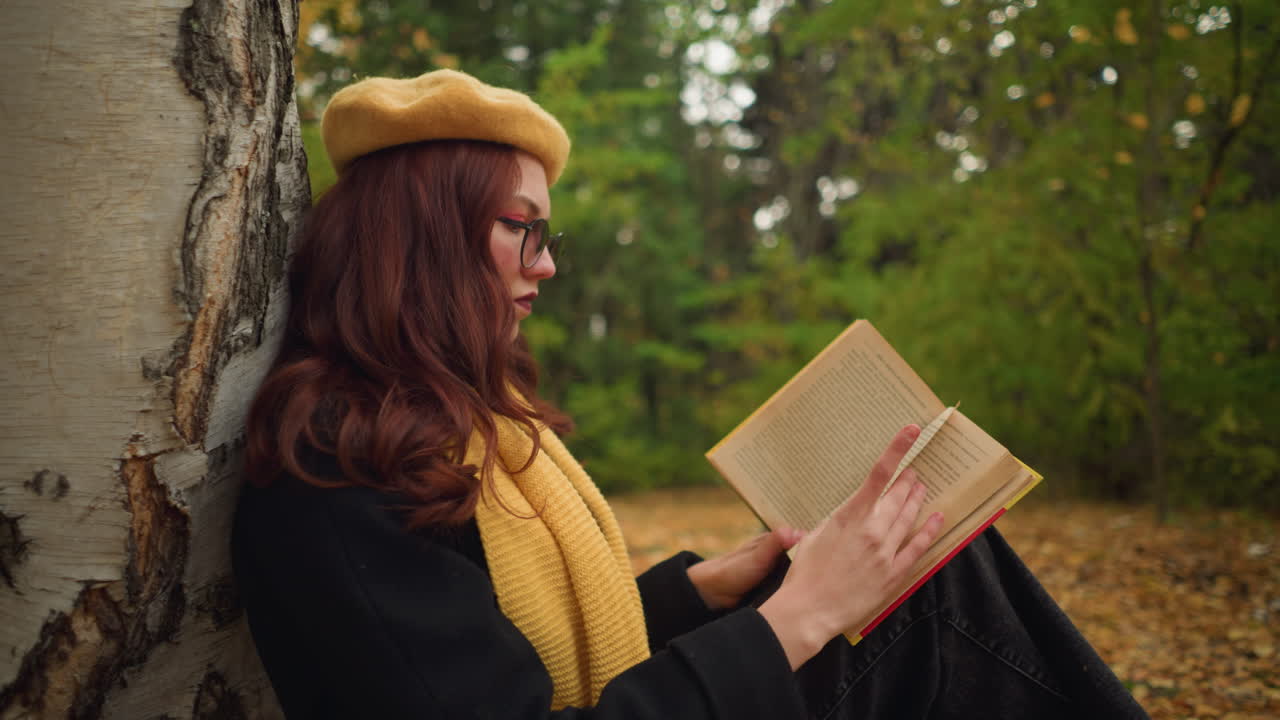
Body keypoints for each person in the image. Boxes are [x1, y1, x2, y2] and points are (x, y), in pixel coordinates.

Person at [231, 69, 1147, 719]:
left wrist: (703, 591)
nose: (546, 266)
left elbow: (505, 644)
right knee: (930, 594)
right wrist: (801, 616)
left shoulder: (450, 428)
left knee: (927, 553)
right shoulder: (336, 470)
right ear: (425, 237)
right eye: (523, 231)